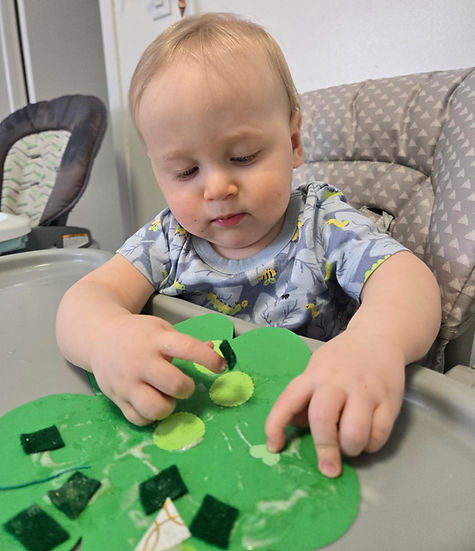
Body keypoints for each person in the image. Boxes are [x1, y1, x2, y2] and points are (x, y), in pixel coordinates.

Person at [56, 12, 441, 478]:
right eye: (184, 172)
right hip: (198, 438)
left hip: (307, 433)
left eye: (243, 157)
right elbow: (85, 300)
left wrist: (374, 343)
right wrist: (106, 340)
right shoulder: (167, 239)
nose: (216, 187)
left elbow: (406, 278)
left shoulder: (323, 221)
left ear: (294, 141)